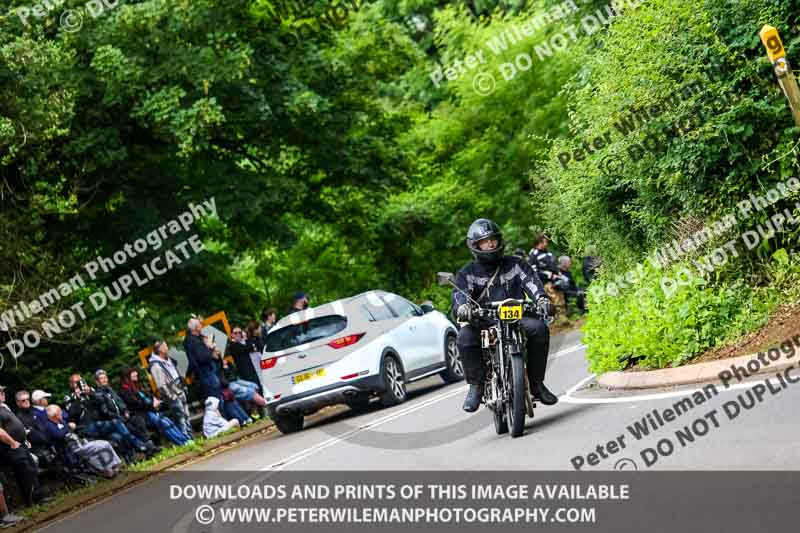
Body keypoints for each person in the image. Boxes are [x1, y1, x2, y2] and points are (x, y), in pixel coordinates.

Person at [452, 219, 558, 413]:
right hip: (483, 321)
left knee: (539, 329)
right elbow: (460, 294)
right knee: (464, 337)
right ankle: (476, 386)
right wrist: (463, 307)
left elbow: (532, 283)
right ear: (475, 245)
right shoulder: (467, 273)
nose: (490, 244)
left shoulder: (516, 264)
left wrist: (542, 300)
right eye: (485, 241)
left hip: (517, 318)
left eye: (493, 239)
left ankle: (536, 384)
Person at [64, 374, 154, 461]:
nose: (79, 384)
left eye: (80, 381)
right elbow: (72, 413)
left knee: (118, 436)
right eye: (76, 382)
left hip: (101, 424)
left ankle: (131, 459)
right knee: (116, 423)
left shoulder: (89, 391)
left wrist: (91, 393)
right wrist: (77, 398)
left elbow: (101, 401)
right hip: (87, 427)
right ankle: (141, 445)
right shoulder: (68, 397)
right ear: (71, 384)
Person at [0, 386, 49, 506]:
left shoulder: (4, 407)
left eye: (3, 391)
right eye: (0, 392)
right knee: (25, 471)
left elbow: (16, 425)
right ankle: (32, 500)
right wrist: (12, 442)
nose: (3, 393)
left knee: (31, 467)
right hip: (9, 448)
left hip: (20, 444)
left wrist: (24, 439)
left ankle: (37, 496)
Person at [43, 405, 121, 479]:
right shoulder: (49, 426)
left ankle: (114, 465)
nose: (61, 413)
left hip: (81, 442)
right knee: (100, 447)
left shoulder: (60, 421)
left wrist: (67, 426)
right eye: (59, 412)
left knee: (104, 443)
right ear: (55, 416)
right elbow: (59, 434)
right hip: (72, 448)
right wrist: (68, 426)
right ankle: (106, 470)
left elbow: (66, 423)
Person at [119, 368, 192, 447]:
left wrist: (155, 400)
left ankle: (185, 439)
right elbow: (136, 404)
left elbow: (148, 396)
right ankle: (181, 443)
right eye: (133, 372)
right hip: (141, 415)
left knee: (167, 421)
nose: (136, 373)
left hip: (150, 411)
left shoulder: (136, 386)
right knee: (163, 423)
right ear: (127, 376)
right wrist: (152, 405)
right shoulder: (124, 390)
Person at [94, 369, 156, 450]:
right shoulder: (98, 395)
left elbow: (120, 402)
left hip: (123, 416)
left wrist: (125, 411)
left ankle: (150, 444)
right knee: (130, 427)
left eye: (105, 378)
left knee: (138, 420)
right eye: (101, 379)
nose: (104, 380)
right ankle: (144, 447)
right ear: (97, 382)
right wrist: (119, 416)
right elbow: (105, 412)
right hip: (114, 420)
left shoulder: (110, 390)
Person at [148, 340, 192, 437]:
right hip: (172, 393)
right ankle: (185, 438)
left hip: (179, 388)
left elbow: (175, 372)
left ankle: (190, 436)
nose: (167, 348)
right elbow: (160, 385)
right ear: (160, 350)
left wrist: (183, 386)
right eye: (165, 346)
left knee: (186, 415)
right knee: (180, 417)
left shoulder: (168, 359)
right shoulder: (155, 365)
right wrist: (171, 396)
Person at [183, 318, 222, 400]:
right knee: (216, 399)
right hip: (206, 373)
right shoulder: (194, 341)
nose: (202, 326)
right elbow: (203, 358)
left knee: (216, 398)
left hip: (205, 373)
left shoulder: (193, 338)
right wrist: (210, 348)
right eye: (200, 324)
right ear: (196, 328)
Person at [226, 327, 261, 391]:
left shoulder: (240, 343)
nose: (238, 334)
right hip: (245, 372)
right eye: (235, 333)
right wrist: (246, 340)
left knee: (258, 387)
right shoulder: (232, 345)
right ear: (232, 335)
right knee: (254, 389)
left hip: (252, 369)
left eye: (240, 332)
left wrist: (248, 343)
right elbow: (248, 348)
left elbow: (251, 347)